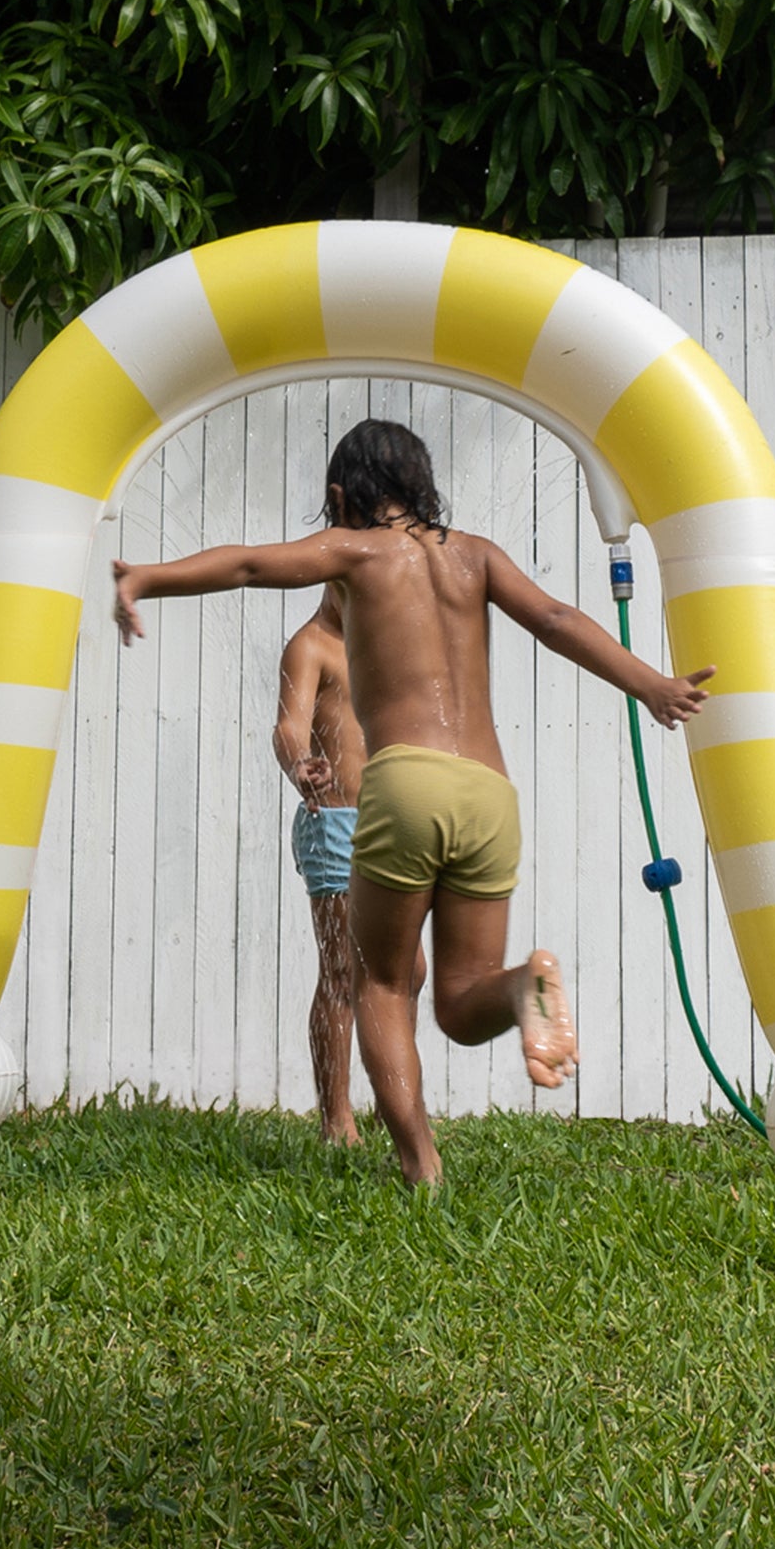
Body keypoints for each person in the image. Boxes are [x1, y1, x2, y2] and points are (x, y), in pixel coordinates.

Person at [113, 418, 713, 1187]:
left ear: (342, 495)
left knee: (383, 982)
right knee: (462, 1003)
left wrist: (147, 579)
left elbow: (253, 564)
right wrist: (652, 684)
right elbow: (559, 621)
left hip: (405, 784)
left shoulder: (356, 552)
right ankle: (525, 979)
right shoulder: (477, 556)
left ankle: (419, 1164)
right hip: (489, 795)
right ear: (422, 484)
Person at [273, 586, 421, 1147]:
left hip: (391, 824)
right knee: (341, 971)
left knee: (410, 972)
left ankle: (391, 1097)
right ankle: (336, 1118)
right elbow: (289, 725)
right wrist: (299, 764)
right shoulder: (311, 645)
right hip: (334, 820)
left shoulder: (385, 644)